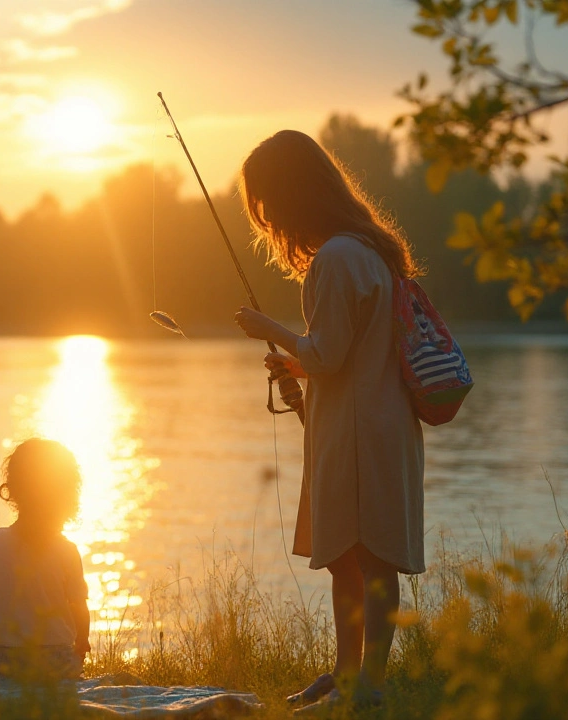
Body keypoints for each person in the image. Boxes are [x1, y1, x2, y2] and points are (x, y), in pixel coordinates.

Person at [231, 130, 425, 712]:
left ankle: (369, 686)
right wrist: (295, 357)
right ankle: (347, 678)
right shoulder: (366, 250)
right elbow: (347, 351)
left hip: (362, 431)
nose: (267, 219)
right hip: (367, 422)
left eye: (267, 202)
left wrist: (274, 333)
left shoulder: (339, 257)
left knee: (367, 557)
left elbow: (329, 355)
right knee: (347, 555)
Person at [0, 438, 90, 685]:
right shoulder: (66, 550)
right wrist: (81, 646)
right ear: (66, 497)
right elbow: (79, 610)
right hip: (51, 660)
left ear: (14, 489)